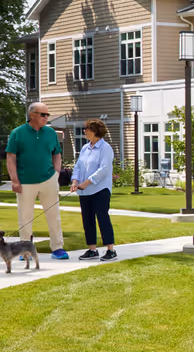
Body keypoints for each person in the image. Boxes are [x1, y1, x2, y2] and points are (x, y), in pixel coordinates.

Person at [7, 102, 70, 259]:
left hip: (48, 180)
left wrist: (56, 173)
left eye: (47, 115)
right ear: (32, 115)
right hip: (25, 182)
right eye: (43, 115)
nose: (46, 117)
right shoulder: (17, 133)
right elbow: (11, 157)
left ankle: (57, 248)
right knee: (25, 217)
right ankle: (25, 250)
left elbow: (56, 153)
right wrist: (14, 180)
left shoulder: (51, 133)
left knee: (54, 215)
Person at [72, 119, 117, 261]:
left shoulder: (105, 148)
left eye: (86, 128)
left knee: (102, 218)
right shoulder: (85, 148)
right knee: (87, 219)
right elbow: (78, 166)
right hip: (84, 191)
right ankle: (92, 250)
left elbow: (104, 169)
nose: (84, 131)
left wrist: (87, 182)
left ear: (95, 131)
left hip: (100, 189)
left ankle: (111, 250)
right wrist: (75, 181)